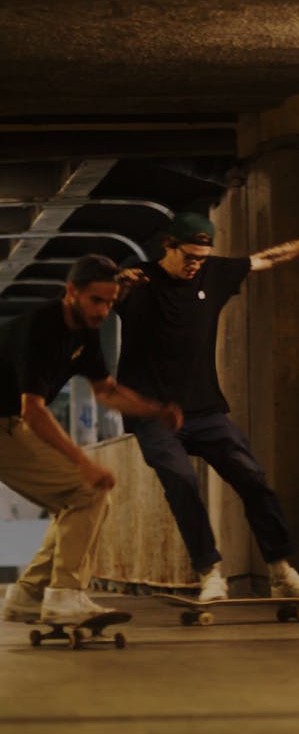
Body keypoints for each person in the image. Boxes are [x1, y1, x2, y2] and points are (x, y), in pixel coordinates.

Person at [117, 212, 299, 603]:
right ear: (168, 246)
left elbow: (268, 258)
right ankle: (210, 572)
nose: (195, 265)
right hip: (152, 413)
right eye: (189, 256)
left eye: (202, 257)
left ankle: (281, 571)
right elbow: (97, 296)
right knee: (182, 481)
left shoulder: (213, 274)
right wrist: (117, 284)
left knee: (253, 479)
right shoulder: (138, 280)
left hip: (205, 411)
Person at [1, 254, 181, 626]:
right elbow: (33, 411)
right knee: (85, 490)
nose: (103, 311)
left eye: (110, 302)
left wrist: (154, 410)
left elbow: (106, 391)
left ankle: (29, 594)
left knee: (87, 497)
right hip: (9, 422)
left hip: (9, 423)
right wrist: (83, 461)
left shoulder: (85, 333)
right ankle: (63, 595)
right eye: (96, 300)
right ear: (71, 292)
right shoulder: (41, 327)